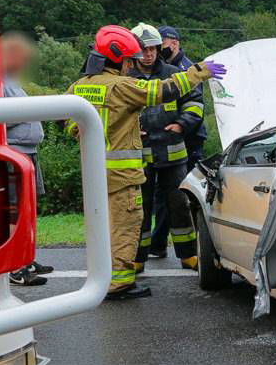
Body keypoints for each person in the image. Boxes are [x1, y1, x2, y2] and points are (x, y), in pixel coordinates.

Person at [65, 25, 225, 300]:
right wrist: (199, 71)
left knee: (103, 227)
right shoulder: (120, 86)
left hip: (95, 173)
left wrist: (82, 129)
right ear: (116, 60)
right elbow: (162, 91)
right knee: (126, 225)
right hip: (121, 174)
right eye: (128, 60)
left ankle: (109, 278)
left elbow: (68, 118)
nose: (131, 65)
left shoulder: (81, 86)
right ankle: (119, 285)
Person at [128, 23, 202, 272]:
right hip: (140, 156)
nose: (148, 54)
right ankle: (138, 258)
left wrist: (182, 125)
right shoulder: (125, 78)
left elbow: (195, 102)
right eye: (142, 49)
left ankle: (188, 255)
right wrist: (128, 129)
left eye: (152, 49)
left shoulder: (172, 73)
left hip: (174, 154)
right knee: (141, 208)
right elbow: (114, 111)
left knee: (179, 205)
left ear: (159, 48)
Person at [148, 25, 207, 258]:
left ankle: (184, 248)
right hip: (164, 140)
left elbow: (194, 101)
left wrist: (181, 125)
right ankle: (158, 243)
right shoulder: (154, 70)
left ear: (176, 43)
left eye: (165, 43)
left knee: (180, 197)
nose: (163, 47)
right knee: (163, 197)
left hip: (186, 140)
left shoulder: (184, 68)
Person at [0, 32, 54, 286]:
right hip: (16, 152)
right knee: (16, 211)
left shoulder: (12, 81)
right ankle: (15, 268)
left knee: (29, 210)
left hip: (29, 152)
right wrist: (25, 114)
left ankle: (27, 258)